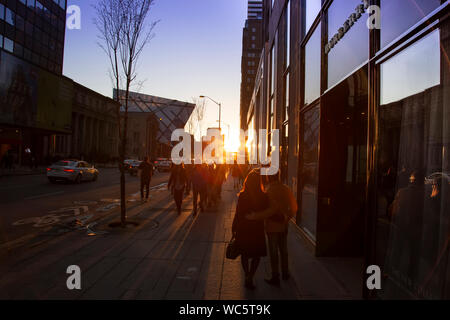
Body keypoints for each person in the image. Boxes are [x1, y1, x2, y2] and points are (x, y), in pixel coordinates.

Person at [246, 170, 297, 286]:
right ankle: (285, 272)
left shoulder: (268, 191)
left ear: (269, 178)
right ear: (278, 176)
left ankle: (275, 276)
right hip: (283, 226)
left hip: (272, 227)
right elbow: (294, 207)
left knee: (274, 252)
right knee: (284, 250)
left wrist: (255, 216)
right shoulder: (286, 189)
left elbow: (268, 212)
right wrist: (287, 218)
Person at [232, 169, 269, 289]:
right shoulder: (263, 196)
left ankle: (247, 274)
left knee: (245, 253)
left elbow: (238, 213)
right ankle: (251, 276)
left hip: (244, 227)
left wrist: (234, 226)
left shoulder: (243, 195)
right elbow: (266, 211)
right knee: (256, 254)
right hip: (257, 228)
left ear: (247, 182)